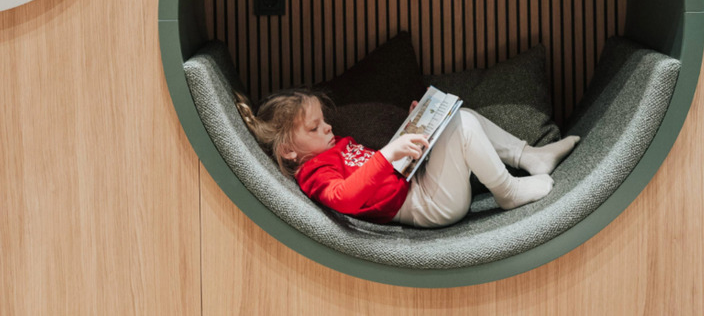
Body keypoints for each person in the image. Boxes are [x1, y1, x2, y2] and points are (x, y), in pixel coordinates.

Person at [236, 89, 579, 228]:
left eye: (323, 120)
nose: (327, 127)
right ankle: (508, 191)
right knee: (463, 126)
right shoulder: (314, 171)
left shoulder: (330, 146)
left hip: (416, 181)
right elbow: (344, 197)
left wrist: (412, 127)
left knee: (458, 115)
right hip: (426, 206)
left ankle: (529, 156)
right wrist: (389, 154)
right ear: (288, 150)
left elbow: (380, 172)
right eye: (314, 128)